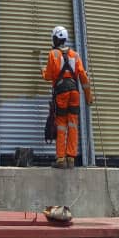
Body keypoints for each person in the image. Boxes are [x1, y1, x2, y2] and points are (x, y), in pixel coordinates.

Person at [41, 25, 93, 169]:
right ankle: (71, 158)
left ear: (56, 39)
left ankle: (61, 159)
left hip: (62, 93)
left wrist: (43, 72)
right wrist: (89, 97)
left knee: (62, 125)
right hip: (75, 92)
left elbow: (50, 76)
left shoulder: (53, 54)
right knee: (73, 124)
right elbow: (83, 76)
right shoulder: (75, 55)